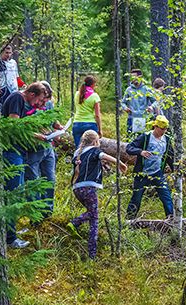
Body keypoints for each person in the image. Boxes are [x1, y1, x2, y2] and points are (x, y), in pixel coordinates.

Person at [66, 130, 127, 259]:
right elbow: (107, 157)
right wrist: (120, 164)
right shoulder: (95, 151)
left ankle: (91, 252)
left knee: (92, 214)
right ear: (95, 141)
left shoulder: (78, 153)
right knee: (94, 217)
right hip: (89, 188)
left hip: (77, 189)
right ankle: (76, 225)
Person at [2, 82, 47, 248]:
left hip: (19, 151)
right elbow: (14, 125)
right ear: (31, 94)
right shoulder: (16, 98)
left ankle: (10, 232)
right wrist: (36, 135)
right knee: (12, 193)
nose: (37, 104)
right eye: (39, 100)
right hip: (11, 151)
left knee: (17, 191)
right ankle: (9, 239)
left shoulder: (23, 101)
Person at [125, 115, 174, 220]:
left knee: (166, 197)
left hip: (157, 173)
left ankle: (171, 220)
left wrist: (175, 169)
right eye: (162, 129)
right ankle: (129, 220)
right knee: (136, 198)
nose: (164, 131)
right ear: (155, 127)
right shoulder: (146, 137)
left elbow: (170, 157)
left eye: (165, 129)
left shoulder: (167, 139)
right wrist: (140, 152)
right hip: (142, 173)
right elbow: (129, 148)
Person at [25, 81, 62, 219]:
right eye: (42, 100)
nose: (43, 103)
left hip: (48, 148)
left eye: (46, 100)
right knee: (33, 181)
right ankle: (35, 215)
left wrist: (59, 128)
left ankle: (47, 212)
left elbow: (53, 120)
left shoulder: (49, 104)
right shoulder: (28, 104)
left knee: (50, 179)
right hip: (34, 148)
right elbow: (26, 125)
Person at [121, 69, 156, 134]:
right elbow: (123, 102)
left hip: (144, 118)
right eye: (131, 77)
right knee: (130, 138)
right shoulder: (129, 89)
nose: (132, 79)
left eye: (134, 77)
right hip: (131, 118)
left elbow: (155, 101)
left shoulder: (146, 89)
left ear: (140, 77)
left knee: (142, 139)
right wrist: (125, 108)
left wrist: (151, 107)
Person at [72, 76, 102, 147]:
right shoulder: (95, 96)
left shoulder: (77, 94)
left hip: (77, 124)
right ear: (92, 85)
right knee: (91, 149)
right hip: (90, 124)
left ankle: (77, 158)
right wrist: (100, 129)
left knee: (78, 149)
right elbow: (97, 115)